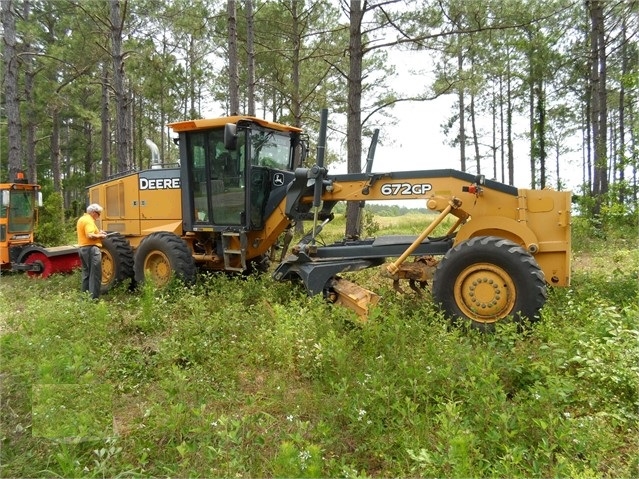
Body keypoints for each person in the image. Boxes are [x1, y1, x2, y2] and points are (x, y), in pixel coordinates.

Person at [76, 203, 107, 299]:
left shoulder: (82, 219)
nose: (99, 216)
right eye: (98, 213)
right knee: (95, 274)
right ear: (93, 212)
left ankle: (85, 297)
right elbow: (89, 235)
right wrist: (101, 236)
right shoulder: (89, 221)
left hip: (82, 249)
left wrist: (98, 232)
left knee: (86, 274)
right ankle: (93, 299)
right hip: (91, 249)